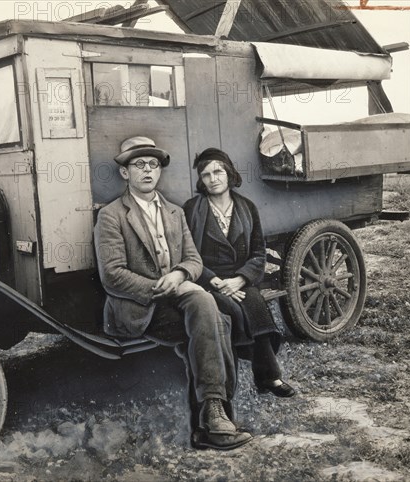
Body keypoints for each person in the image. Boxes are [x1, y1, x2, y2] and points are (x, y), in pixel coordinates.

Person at [94, 136, 252, 450]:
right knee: (216, 320)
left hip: (177, 294)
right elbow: (112, 276)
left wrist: (179, 274)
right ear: (125, 173)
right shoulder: (111, 215)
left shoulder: (174, 213)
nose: (147, 170)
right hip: (138, 308)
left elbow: (193, 260)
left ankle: (210, 416)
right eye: (138, 164)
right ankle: (215, 416)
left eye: (153, 164)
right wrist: (159, 286)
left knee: (209, 309)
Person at [183, 148, 295, 398]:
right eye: (206, 175)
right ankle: (231, 381)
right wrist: (213, 280)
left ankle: (269, 378)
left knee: (256, 306)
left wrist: (240, 279)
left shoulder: (247, 207)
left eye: (218, 171)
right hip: (208, 280)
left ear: (229, 173)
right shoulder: (191, 209)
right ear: (201, 181)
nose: (213, 178)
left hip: (239, 279)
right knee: (233, 310)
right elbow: (187, 253)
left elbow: (258, 252)